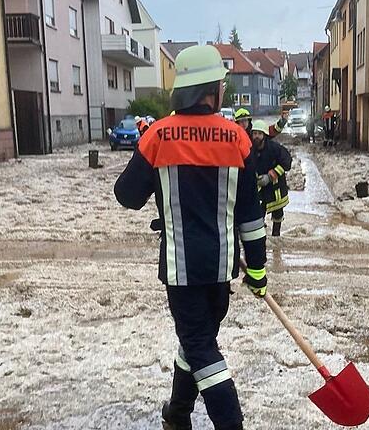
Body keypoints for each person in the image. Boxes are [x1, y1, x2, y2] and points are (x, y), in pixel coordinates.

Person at [114, 45, 268, 430]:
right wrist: (259, 269)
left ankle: (229, 424)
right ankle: (178, 413)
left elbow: (127, 196)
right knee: (198, 342)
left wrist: (147, 154)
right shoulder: (238, 138)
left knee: (199, 345)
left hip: (181, 271)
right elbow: (251, 215)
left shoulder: (158, 136)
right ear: (212, 89)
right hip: (222, 269)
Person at [251, 120, 292, 237]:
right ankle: (260, 239)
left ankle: (276, 239)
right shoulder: (250, 150)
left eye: (259, 134)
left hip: (275, 189)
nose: (256, 136)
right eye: (254, 134)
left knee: (278, 216)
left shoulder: (275, 148)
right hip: (260, 190)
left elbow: (287, 162)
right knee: (257, 217)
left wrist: (271, 175)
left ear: (264, 135)